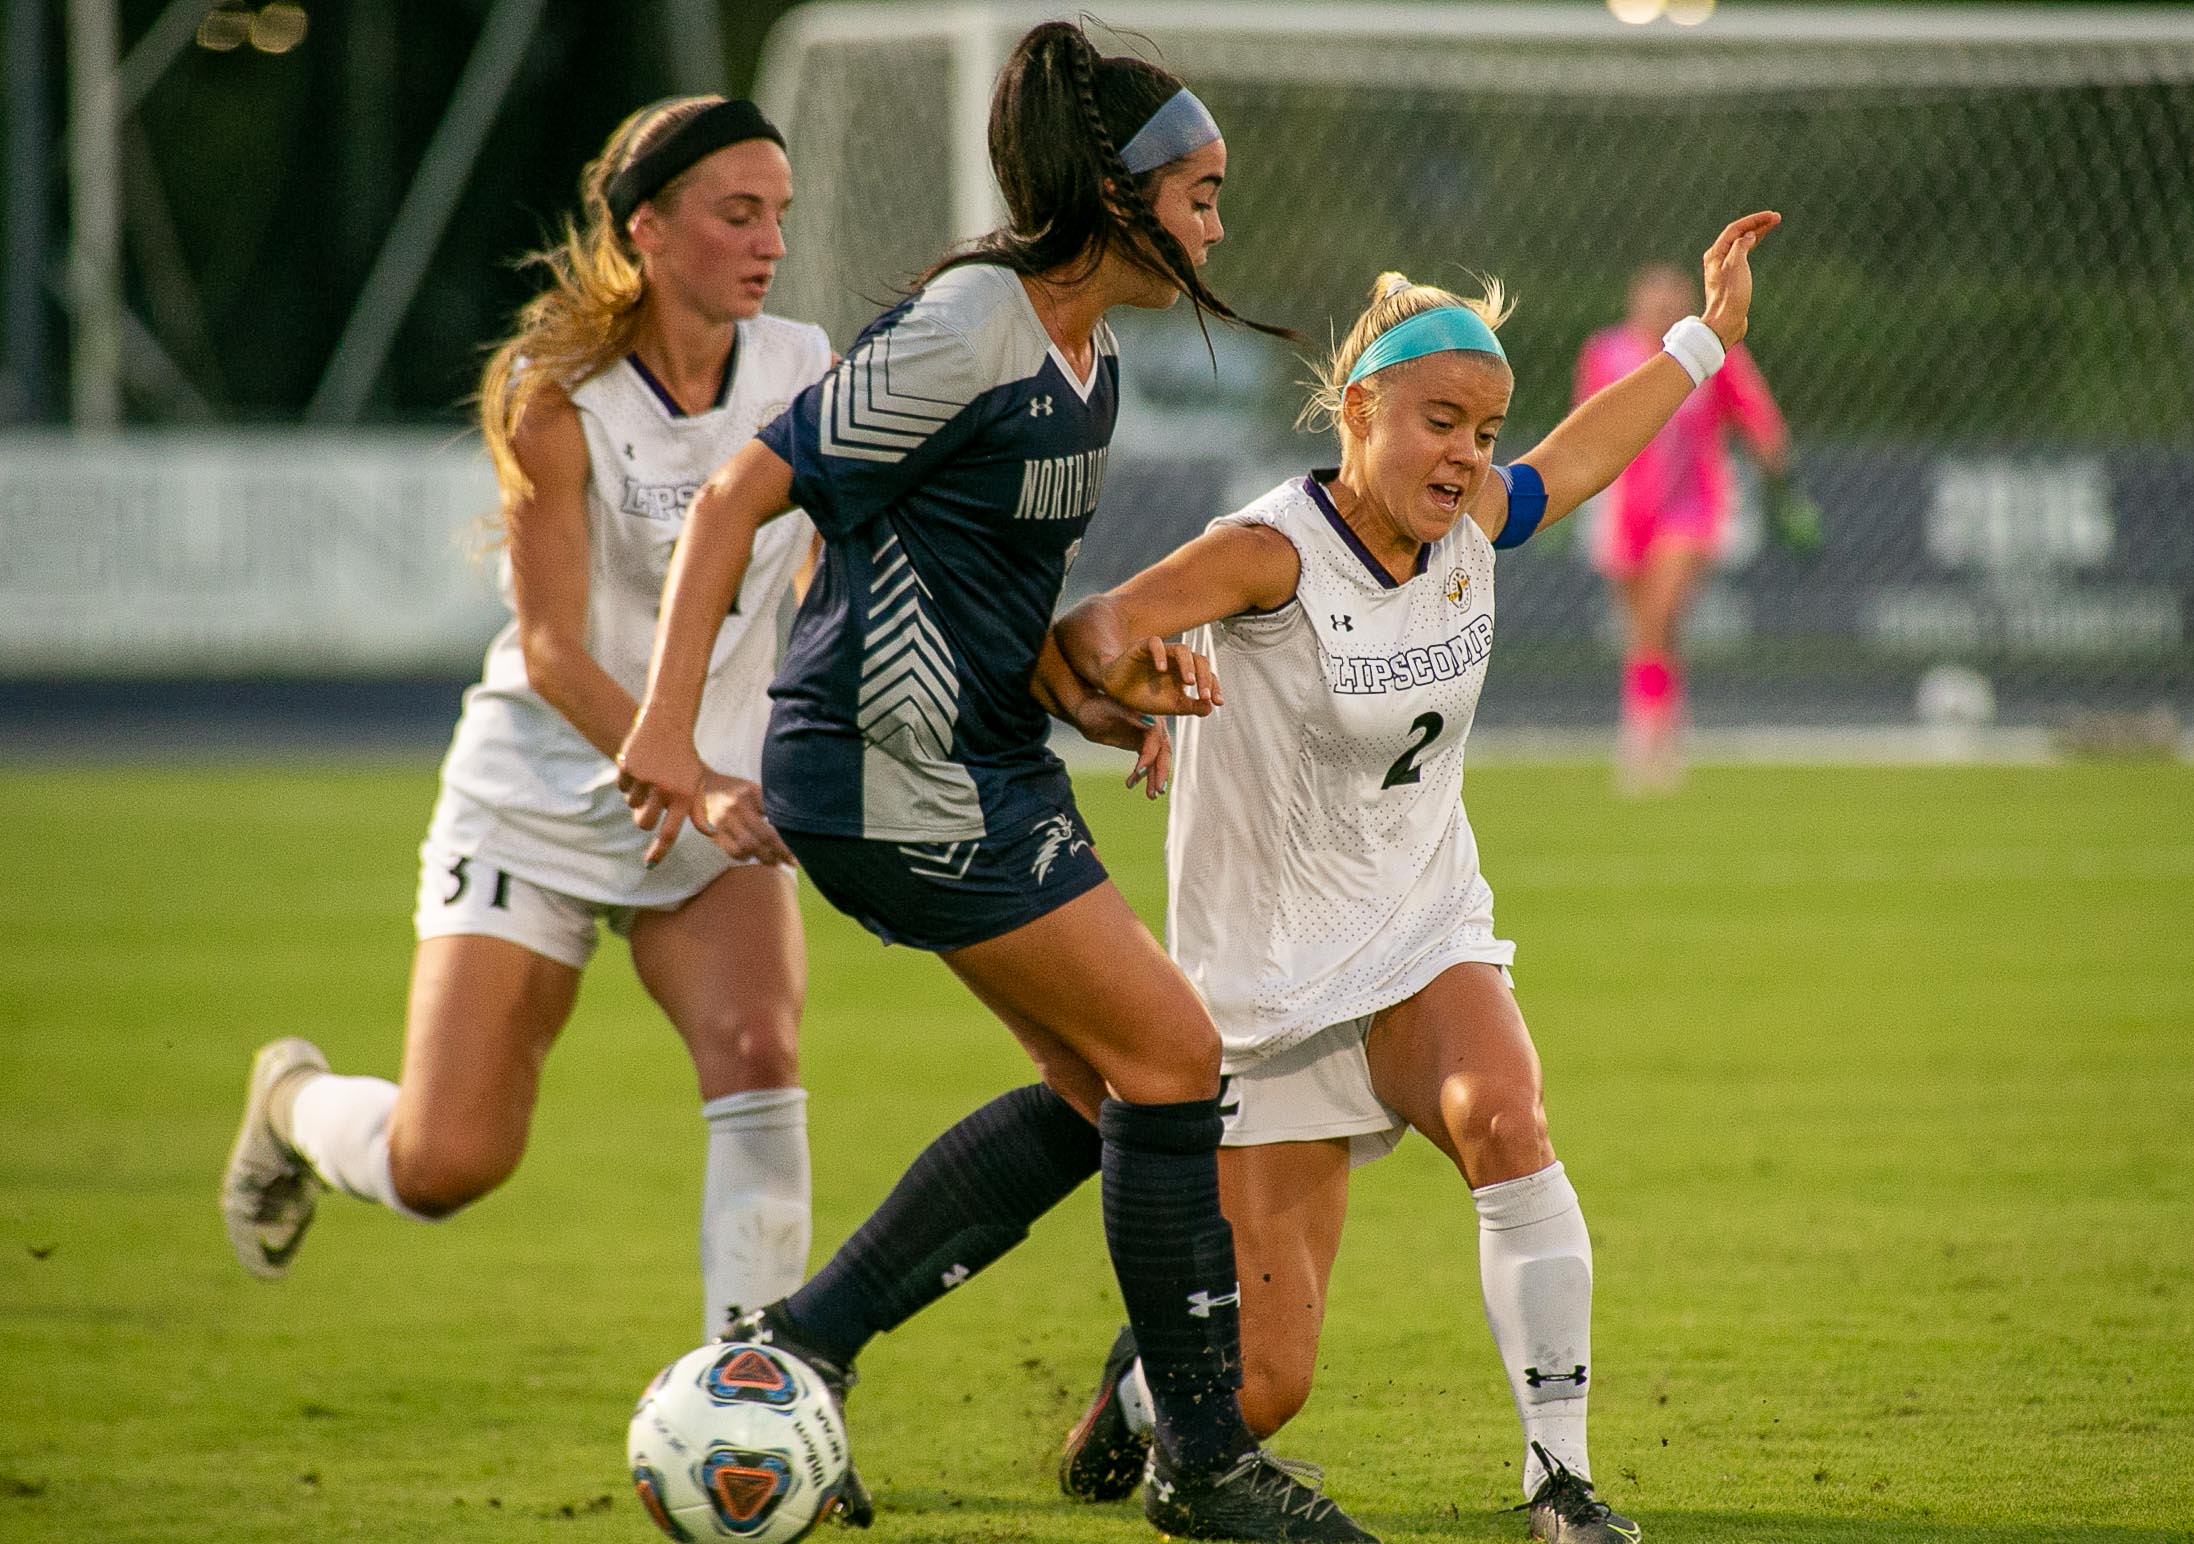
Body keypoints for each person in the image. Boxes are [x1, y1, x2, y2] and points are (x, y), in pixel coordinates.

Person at [615, 22, 1376, 1543]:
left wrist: (1098, 701)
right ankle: (1204, 1463)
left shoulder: (1086, 370)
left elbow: (971, 594)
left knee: (1103, 1089)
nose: (1218, 226)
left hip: (985, 760)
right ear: (1115, 190)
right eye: (1201, 193)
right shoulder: (975, 320)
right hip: (890, 770)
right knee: (1172, 1059)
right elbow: (736, 496)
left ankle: (801, 1349)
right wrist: (664, 735)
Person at [1048, 214, 1781, 1543]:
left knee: (1506, 1117)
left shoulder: (1475, 524)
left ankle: (1560, 1481)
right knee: (1265, 1385)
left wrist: (1699, 343)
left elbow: (1579, 458)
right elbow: (1092, 628)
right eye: (1442, 420)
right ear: (1360, 405)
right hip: (1264, 991)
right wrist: (1132, 682)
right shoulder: (1269, 550)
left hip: (1419, 932)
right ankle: (1144, 1389)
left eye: (1485, 431)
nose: (1470, 457)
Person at [220, 96, 829, 1346]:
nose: (769, 241)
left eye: (779, 214)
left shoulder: (805, 371)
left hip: (708, 796)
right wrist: (688, 769)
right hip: (539, 797)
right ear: (647, 229)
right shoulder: (553, 391)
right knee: (448, 1162)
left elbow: (827, 573)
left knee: (760, 1053)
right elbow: (552, 647)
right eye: (737, 213)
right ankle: (293, 1102)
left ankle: (756, 1401)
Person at [1577, 262, 1791, 793]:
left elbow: (1756, 415)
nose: (1661, 310)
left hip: (1691, 509)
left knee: (1660, 613)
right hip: (1626, 510)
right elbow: (1585, 422)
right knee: (1647, 630)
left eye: (1671, 301)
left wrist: (1778, 468)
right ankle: (1662, 726)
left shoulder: (1710, 353)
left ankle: (1645, 739)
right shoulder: (1607, 354)